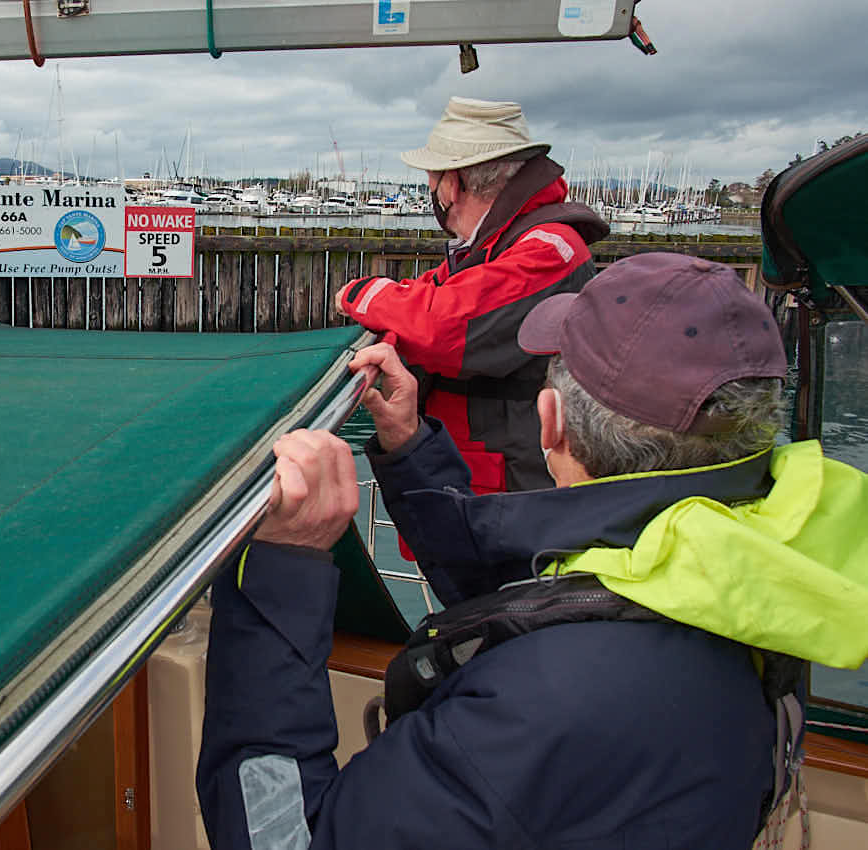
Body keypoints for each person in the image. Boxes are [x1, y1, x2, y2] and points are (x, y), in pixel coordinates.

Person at [197, 254, 868, 849]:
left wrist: (283, 566)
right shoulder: (752, 569)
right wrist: (409, 448)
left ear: (550, 422)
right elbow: (544, 596)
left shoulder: (539, 707)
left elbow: (279, 832)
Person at [335, 96, 609, 494]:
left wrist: (362, 294)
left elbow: (442, 325)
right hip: (482, 470)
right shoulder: (498, 242)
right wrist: (401, 306)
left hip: (511, 488)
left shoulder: (547, 249)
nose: (433, 192)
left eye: (433, 178)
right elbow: (437, 291)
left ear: (454, 182)